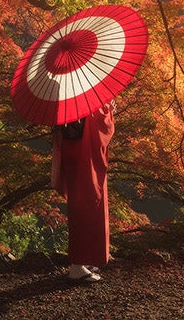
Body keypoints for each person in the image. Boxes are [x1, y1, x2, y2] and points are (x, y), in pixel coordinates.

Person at [51, 101, 115, 283]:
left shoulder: (64, 99)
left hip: (74, 157)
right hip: (85, 161)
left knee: (83, 208)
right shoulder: (82, 100)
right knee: (86, 208)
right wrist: (107, 111)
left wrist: (103, 110)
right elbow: (101, 131)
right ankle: (77, 265)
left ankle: (85, 260)